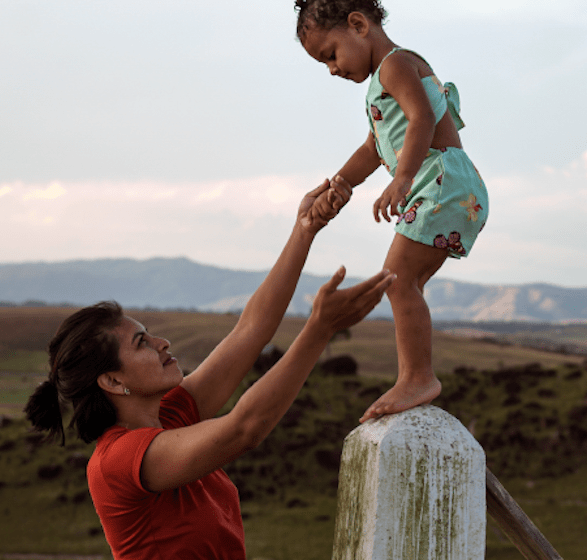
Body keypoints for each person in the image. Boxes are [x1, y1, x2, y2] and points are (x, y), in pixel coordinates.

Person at [25, 180, 395, 559]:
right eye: (141, 343)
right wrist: (318, 330)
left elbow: (250, 331)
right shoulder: (118, 461)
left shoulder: (171, 417)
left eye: (149, 334)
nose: (161, 343)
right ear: (113, 381)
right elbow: (245, 428)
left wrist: (304, 230)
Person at [294, 0, 489, 423]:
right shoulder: (384, 79)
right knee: (405, 282)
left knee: (398, 281)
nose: (331, 68)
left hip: (441, 182)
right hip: (447, 183)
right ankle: (416, 376)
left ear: (358, 25)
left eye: (330, 54)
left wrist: (402, 179)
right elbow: (371, 149)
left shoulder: (395, 65)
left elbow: (419, 119)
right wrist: (339, 184)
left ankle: (418, 377)